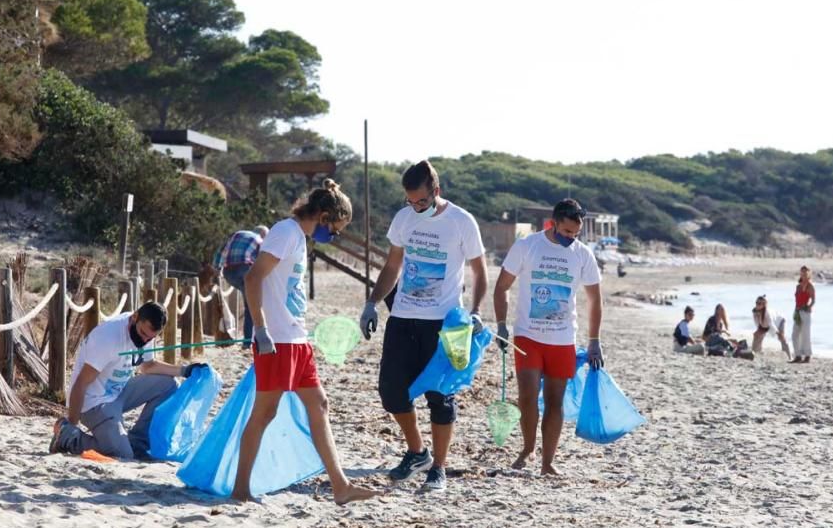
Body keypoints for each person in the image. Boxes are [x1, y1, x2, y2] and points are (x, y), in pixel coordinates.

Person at [231, 180, 378, 505]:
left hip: (297, 341)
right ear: (323, 215)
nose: (333, 236)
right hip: (278, 341)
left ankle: (341, 486)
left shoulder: (299, 238)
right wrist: (260, 329)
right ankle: (240, 488)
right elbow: (252, 278)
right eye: (335, 229)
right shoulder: (286, 232)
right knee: (264, 414)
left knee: (319, 404)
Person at [359, 160, 487, 492]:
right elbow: (392, 266)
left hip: (443, 323)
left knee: (439, 396)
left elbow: (480, 272)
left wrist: (474, 311)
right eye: (410, 201)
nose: (416, 207)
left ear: (436, 192)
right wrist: (372, 302)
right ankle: (418, 452)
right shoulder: (404, 219)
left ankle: (439, 469)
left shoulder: (461, 221)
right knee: (391, 391)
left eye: (422, 201)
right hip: (403, 316)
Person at [493, 198, 603, 475]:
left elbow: (594, 300)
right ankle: (528, 448)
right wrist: (502, 324)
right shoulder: (527, 246)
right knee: (527, 397)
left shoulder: (582, 254)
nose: (571, 239)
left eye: (575, 235)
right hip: (528, 335)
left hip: (563, 339)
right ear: (553, 223)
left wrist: (594, 341)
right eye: (567, 232)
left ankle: (547, 462)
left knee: (555, 402)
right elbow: (502, 286)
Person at [49, 302, 206, 459]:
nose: (144, 340)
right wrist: (72, 424)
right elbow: (81, 382)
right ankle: (68, 437)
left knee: (169, 385)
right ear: (135, 317)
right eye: (143, 334)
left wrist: (185, 370)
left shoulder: (146, 331)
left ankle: (139, 443)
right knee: (122, 454)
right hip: (94, 403)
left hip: (119, 392)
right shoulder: (108, 338)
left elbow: (148, 366)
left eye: (150, 338)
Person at [213, 226, 270, 349]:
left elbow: (220, 251)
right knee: (251, 307)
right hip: (244, 270)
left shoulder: (236, 234)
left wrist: (216, 268)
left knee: (249, 304)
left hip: (228, 273)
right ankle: (248, 342)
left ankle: (248, 340)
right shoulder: (260, 240)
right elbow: (262, 261)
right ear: (263, 234)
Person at [752, 295, 791, 359]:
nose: (757, 305)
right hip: (765, 325)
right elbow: (757, 324)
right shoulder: (754, 312)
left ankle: (789, 356)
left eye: (759, 303)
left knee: (782, 338)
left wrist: (778, 333)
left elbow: (772, 325)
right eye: (756, 303)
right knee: (757, 335)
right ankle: (755, 353)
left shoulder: (767, 313)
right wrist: (759, 331)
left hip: (780, 321)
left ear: (764, 304)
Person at [791, 265, 816, 363]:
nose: (804, 274)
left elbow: (813, 300)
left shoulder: (810, 286)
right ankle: (797, 355)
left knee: (806, 334)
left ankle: (807, 355)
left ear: (808, 274)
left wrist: (809, 307)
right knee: (795, 334)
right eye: (802, 272)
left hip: (805, 312)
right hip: (797, 311)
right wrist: (795, 311)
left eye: (805, 273)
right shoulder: (798, 286)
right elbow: (797, 300)